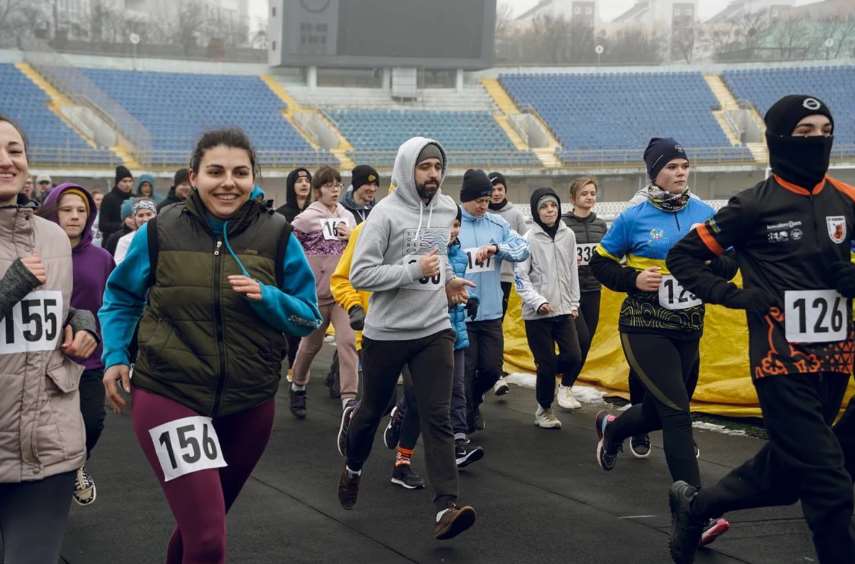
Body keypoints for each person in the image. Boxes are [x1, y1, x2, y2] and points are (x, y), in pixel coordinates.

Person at [99, 127, 322, 564]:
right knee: (207, 539)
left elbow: (308, 316)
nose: (228, 182)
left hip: (250, 400)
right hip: (171, 392)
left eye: (240, 172)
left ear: (253, 177)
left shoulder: (277, 234)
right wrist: (114, 356)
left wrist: (268, 298)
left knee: (198, 530)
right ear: (194, 177)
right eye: (215, 171)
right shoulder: (161, 229)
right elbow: (120, 297)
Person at [666, 96, 855, 564]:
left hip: (836, 362)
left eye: (824, 129)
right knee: (829, 481)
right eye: (805, 132)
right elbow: (683, 258)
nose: (817, 140)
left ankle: (696, 505)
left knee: (789, 474)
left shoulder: (847, 200)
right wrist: (735, 294)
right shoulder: (752, 206)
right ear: (778, 139)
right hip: (779, 363)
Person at [589, 138, 734, 547]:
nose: (681, 173)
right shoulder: (634, 217)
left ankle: (614, 429)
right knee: (676, 414)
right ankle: (696, 511)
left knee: (661, 410)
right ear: (654, 172)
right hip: (643, 323)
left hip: (688, 325)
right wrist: (632, 279)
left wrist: (707, 261)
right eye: (671, 167)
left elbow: (731, 261)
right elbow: (600, 261)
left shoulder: (705, 214)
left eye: (685, 165)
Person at [339, 136, 477, 540]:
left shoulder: (447, 209)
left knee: (437, 416)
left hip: (434, 330)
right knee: (371, 411)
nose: (433, 175)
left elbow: (436, 261)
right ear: (406, 169)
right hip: (386, 334)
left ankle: (446, 508)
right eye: (424, 167)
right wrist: (413, 271)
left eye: (437, 167)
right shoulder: (383, 216)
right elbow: (361, 275)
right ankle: (353, 467)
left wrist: (448, 281)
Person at [0, 114, 99, 564]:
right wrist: (9, 287)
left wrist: (84, 324)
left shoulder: (54, 237)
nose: (6, 161)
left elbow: (57, 311)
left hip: (49, 444)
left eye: (14, 150)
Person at [331, 220, 427, 489]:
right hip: (377, 330)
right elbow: (339, 278)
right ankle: (355, 412)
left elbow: (435, 277)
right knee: (381, 403)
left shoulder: (429, 229)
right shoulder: (368, 228)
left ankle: (402, 464)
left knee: (418, 396)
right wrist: (353, 307)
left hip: (417, 328)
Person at [39, 182, 115, 506]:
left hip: (90, 357)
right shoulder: (35, 254)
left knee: (93, 421)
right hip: (43, 357)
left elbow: (114, 304)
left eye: (81, 210)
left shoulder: (101, 258)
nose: (74, 216)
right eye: (66, 209)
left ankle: (77, 463)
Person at [458, 169, 529, 433]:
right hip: (461, 314)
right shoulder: (452, 224)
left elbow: (523, 249)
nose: (483, 206)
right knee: (464, 373)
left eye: (487, 201)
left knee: (490, 370)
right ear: (465, 198)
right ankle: (461, 427)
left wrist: (498, 250)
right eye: (478, 200)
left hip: (490, 312)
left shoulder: (497, 225)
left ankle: (474, 401)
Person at [288, 166, 359, 417]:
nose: (335, 189)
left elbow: (359, 250)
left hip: (341, 293)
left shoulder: (348, 217)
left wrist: (352, 236)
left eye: (338, 185)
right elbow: (288, 246)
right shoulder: (307, 218)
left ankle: (348, 400)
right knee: (311, 344)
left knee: (347, 342)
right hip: (315, 296)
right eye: (329, 185)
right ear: (319, 190)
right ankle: (297, 385)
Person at [515, 187, 582, 429]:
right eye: (544, 206)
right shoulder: (528, 240)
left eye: (553, 205)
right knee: (546, 365)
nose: (550, 210)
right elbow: (521, 278)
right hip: (537, 315)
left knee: (574, 357)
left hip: (563, 311)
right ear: (536, 211)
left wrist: (574, 303)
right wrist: (538, 301)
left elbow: (572, 271)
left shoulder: (569, 235)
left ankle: (546, 369)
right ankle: (544, 409)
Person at [560, 177, 608, 411]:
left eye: (592, 193)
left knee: (587, 343)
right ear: (573, 198)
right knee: (580, 340)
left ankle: (566, 385)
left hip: (593, 289)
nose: (589, 197)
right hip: (570, 292)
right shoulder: (563, 224)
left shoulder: (601, 225)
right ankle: (557, 377)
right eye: (584, 194)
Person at [486, 171, 528, 396]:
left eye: (500, 189)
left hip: (504, 278)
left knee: (496, 324)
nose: (496, 193)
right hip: (481, 278)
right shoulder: (480, 215)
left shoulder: (514, 214)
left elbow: (525, 242)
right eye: (492, 190)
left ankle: (497, 372)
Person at [114, 198, 157, 265]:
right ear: (135, 218)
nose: (145, 219)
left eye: (149, 214)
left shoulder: (163, 236)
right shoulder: (125, 241)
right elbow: (119, 266)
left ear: (155, 216)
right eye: (140, 215)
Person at [99, 165, 134, 242]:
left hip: (131, 240)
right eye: (124, 181)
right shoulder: (109, 198)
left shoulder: (135, 198)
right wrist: (123, 225)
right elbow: (102, 225)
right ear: (117, 182)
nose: (128, 184)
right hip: (112, 241)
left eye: (130, 181)